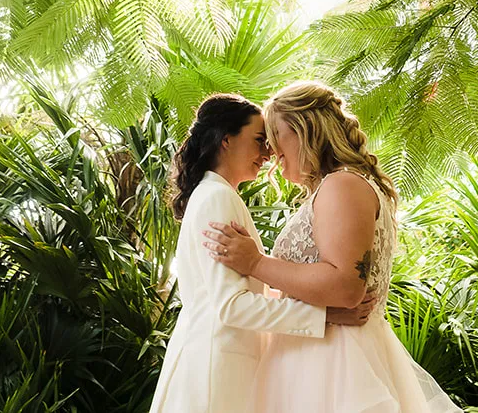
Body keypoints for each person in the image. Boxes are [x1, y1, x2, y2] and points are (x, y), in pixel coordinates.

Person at [203, 81, 462, 413]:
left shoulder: (342, 184)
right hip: (320, 351)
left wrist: (256, 263)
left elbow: (345, 286)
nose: (270, 149)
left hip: (333, 363)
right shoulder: (341, 185)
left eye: (276, 134)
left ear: (307, 129)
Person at [149, 93, 370, 413]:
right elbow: (232, 306)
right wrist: (325, 316)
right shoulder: (216, 197)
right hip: (213, 371)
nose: (268, 153)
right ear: (226, 140)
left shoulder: (216, 194)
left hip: (217, 365)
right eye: (259, 140)